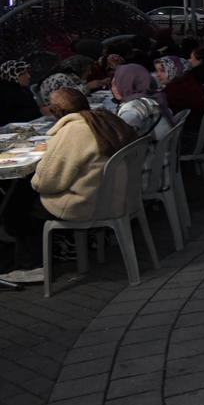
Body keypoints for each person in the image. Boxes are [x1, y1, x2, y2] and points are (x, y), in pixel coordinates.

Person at [2, 86, 139, 285]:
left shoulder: (73, 132)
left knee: (20, 203)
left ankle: (31, 265)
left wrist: (35, 179)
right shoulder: (104, 120)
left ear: (56, 111)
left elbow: (48, 182)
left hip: (89, 202)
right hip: (114, 194)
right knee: (21, 196)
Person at [112, 63, 173, 139]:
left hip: (151, 149)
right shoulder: (154, 97)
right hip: (164, 147)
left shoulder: (133, 107)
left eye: (118, 83)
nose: (114, 88)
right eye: (112, 84)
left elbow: (121, 136)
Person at [154, 55, 204, 128]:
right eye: (157, 71)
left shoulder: (174, 91)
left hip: (187, 131)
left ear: (174, 69)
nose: (158, 75)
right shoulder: (188, 80)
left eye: (162, 71)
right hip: (198, 127)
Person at [0, 60, 39, 126]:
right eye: (23, 74)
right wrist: (40, 112)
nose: (28, 76)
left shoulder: (23, 90)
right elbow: (8, 119)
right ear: (13, 75)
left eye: (27, 73)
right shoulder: (4, 94)